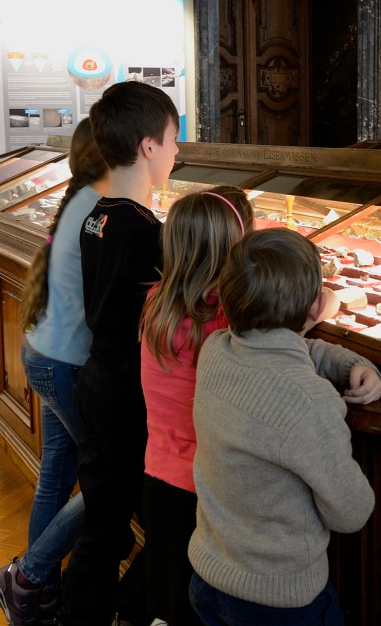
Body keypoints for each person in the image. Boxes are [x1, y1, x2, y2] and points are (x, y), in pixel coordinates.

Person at [188, 228, 381, 626]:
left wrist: (348, 364)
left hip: (208, 577)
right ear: (316, 308)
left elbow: (280, 349)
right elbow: (352, 512)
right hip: (279, 602)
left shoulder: (216, 351)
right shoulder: (307, 400)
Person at [58, 81, 180, 626]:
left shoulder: (98, 214)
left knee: (104, 521)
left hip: (98, 380)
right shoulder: (145, 232)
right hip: (128, 394)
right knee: (157, 525)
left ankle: (83, 613)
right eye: (174, 140)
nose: (178, 153)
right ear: (149, 147)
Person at [0, 117, 108, 626]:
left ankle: (34, 592)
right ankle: (29, 575)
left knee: (56, 478)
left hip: (45, 354)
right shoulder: (100, 212)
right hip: (65, 365)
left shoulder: (78, 204)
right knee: (110, 476)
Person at [139, 186, 254, 625]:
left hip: (159, 476)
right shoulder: (226, 317)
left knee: (167, 600)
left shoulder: (155, 302)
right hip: (207, 486)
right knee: (202, 602)